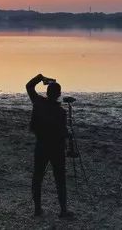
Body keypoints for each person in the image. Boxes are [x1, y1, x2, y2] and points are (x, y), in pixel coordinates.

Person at [26, 73, 73, 218]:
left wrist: (41, 78)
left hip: (41, 145)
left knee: (37, 178)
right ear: (59, 94)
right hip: (57, 148)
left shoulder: (38, 102)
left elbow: (29, 86)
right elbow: (63, 132)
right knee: (60, 179)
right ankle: (63, 210)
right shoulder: (61, 112)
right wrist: (69, 135)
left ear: (47, 92)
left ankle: (37, 209)